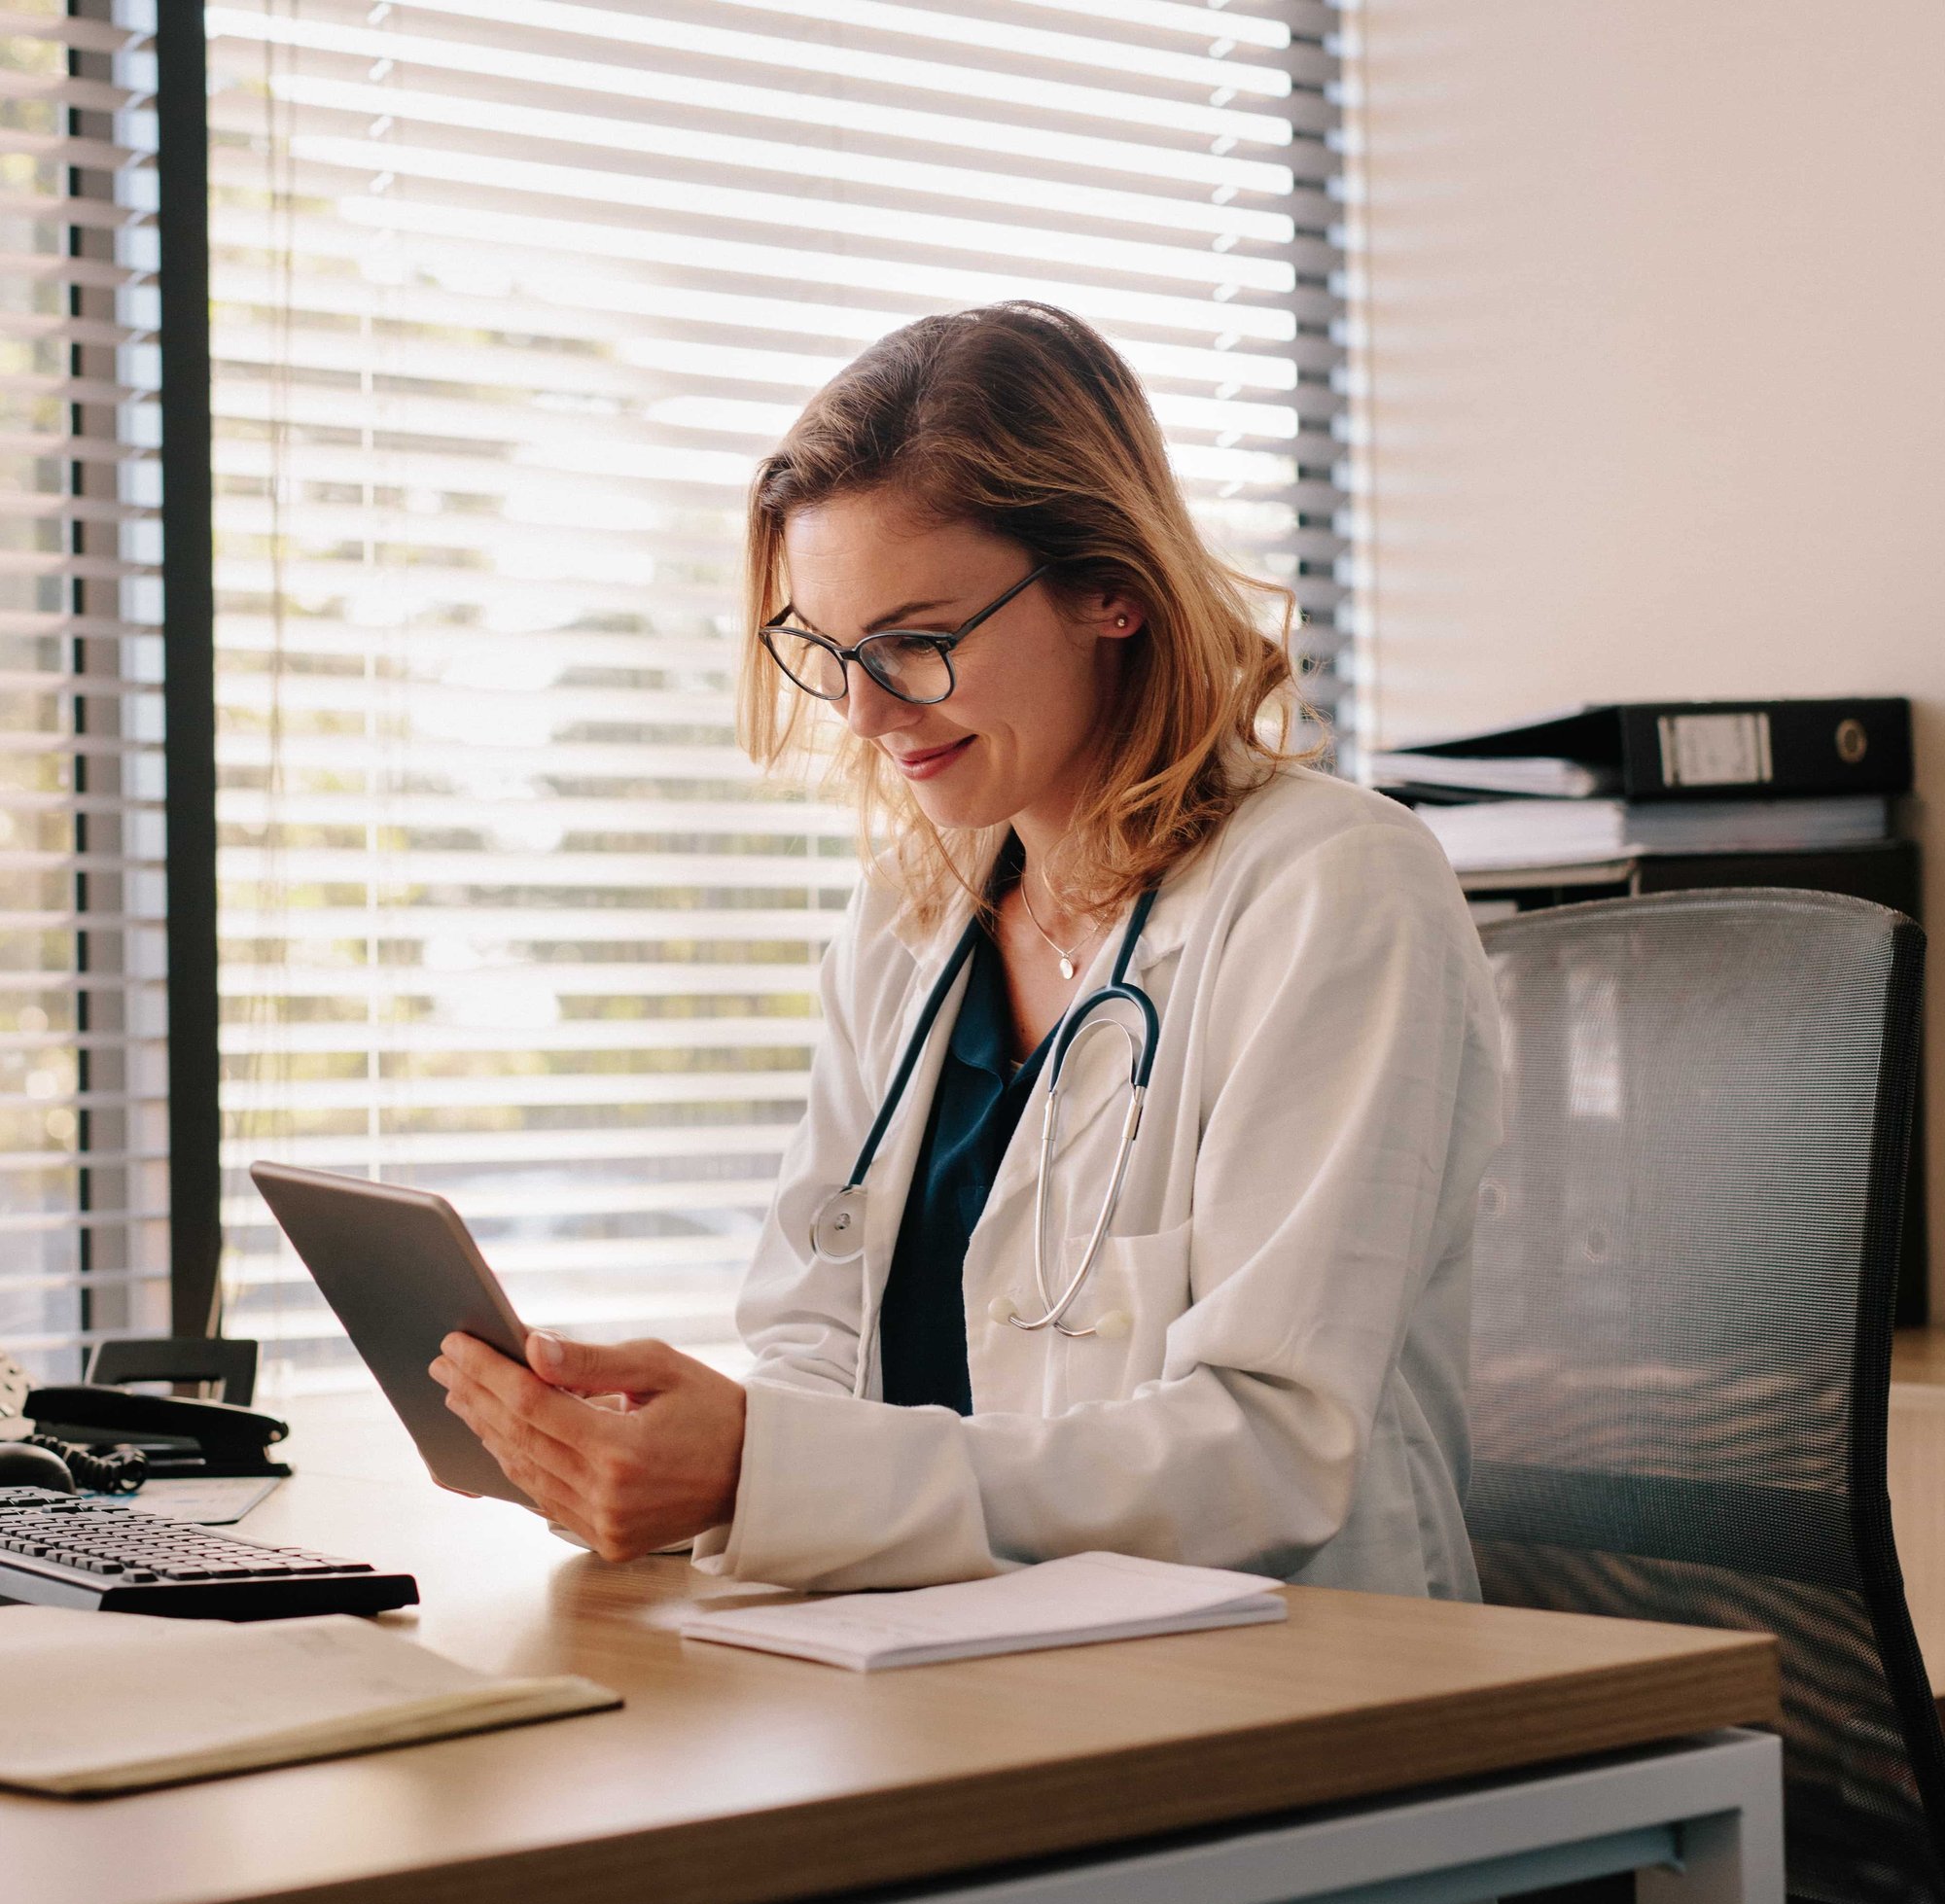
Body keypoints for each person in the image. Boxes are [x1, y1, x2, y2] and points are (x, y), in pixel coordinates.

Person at [430, 300, 1503, 1612]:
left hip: (1282, 1677)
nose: (867, 711)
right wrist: (689, 1462)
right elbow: (815, 1337)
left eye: (915, 642)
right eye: (827, 651)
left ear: (1111, 589)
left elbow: (1269, 1458)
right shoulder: (909, 920)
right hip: (943, 1652)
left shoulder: (1332, 891)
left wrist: (768, 1475)